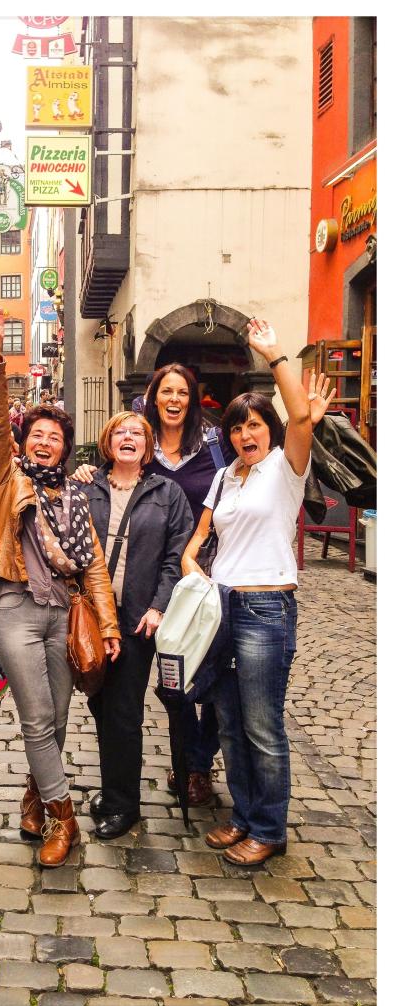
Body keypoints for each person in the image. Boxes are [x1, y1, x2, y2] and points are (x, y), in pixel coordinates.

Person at [0, 314, 121, 868]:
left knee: (58, 719)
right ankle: (65, 819)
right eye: (36, 435)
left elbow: (95, 568)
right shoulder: (8, 479)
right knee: (37, 718)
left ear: (64, 450)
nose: (44, 442)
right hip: (15, 607)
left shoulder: (76, 497)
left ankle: (35, 798)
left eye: (54, 438)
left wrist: (108, 625)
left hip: (66, 612)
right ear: (25, 442)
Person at [181, 318, 321, 865]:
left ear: (270, 430)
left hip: (266, 608)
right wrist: (192, 567)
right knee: (230, 724)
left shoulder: (286, 469)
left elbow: (303, 417)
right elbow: (199, 539)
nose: (245, 435)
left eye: (255, 425)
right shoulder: (225, 478)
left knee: (263, 725)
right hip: (222, 608)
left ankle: (269, 828)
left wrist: (275, 355)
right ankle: (242, 817)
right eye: (237, 427)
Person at [79, 412, 194, 838]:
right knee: (99, 703)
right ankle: (114, 788)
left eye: (137, 434)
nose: (128, 438)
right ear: (108, 443)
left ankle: (123, 805)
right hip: (93, 615)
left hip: (137, 619)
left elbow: (177, 554)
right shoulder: (86, 486)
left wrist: (159, 606)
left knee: (124, 711)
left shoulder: (167, 493)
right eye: (120, 433)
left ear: (148, 446)